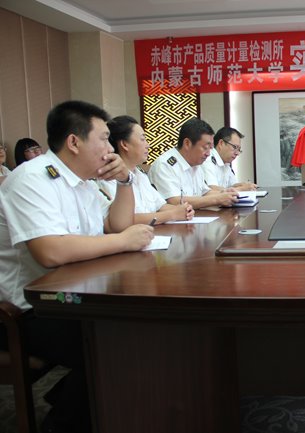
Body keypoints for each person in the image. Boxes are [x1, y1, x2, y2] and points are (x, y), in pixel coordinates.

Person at [0, 100, 154, 433]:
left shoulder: (83, 182)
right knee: (115, 342)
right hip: (32, 308)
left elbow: (116, 224)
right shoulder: (33, 179)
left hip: (73, 295)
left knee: (137, 329)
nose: (110, 148)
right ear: (74, 141)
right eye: (104, 139)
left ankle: (71, 399)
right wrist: (123, 241)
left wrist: (124, 182)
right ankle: (63, 422)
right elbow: (51, 251)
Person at [102, 115, 195, 224]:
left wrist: (184, 210)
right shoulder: (109, 178)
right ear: (124, 144)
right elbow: (124, 220)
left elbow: (160, 206)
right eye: (142, 139)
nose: (148, 145)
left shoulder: (141, 175)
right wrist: (172, 214)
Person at [148, 118, 238, 209]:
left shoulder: (196, 164)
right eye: (205, 147)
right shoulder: (165, 165)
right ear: (187, 143)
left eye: (210, 148)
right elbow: (174, 201)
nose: (208, 153)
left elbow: (205, 192)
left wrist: (224, 194)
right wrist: (217, 199)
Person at [201, 126, 257, 191]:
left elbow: (232, 185)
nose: (237, 153)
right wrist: (241, 189)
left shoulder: (226, 163)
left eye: (239, 149)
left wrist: (243, 185)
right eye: (235, 147)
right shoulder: (207, 160)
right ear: (221, 143)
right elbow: (212, 189)